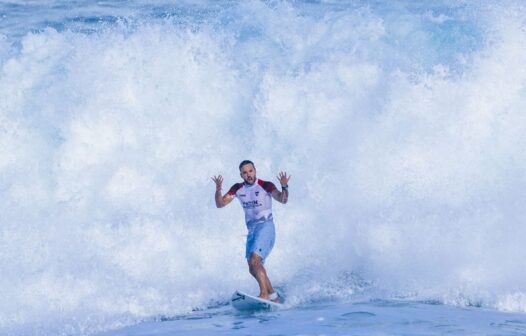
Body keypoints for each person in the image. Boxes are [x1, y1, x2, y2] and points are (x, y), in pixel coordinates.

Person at [212, 160, 290, 303]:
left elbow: (282, 199)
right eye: (245, 172)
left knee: (255, 261)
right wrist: (218, 189)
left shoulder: (265, 185)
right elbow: (220, 204)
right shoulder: (237, 188)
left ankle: (264, 294)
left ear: (255, 170)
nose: (248, 174)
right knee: (252, 267)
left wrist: (284, 186)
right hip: (252, 230)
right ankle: (273, 296)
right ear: (241, 175)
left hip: (266, 226)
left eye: (250, 171)